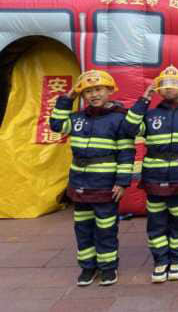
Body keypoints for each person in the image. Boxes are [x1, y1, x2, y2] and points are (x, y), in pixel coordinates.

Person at [49, 70, 143, 287]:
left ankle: (108, 268)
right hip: (79, 185)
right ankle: (88, 267)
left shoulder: (120, 119)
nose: (93, 95)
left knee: (105, 228)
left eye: (98, 89)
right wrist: (69, 96)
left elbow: (126, 153)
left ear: (110, 91)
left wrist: (121, 182)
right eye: (88, 91)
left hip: (105, 186)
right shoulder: (77, 118)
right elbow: (56, 125)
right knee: (82, 228)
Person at [128, 66, 178, 283]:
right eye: (165, 85)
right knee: (156, 222)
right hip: (153, 178)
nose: (170, 88)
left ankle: (177, 260)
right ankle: (160, 261)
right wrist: (144, 99)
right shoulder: (150, 114)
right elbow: (129, 128)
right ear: (159, 89)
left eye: (175, 84)